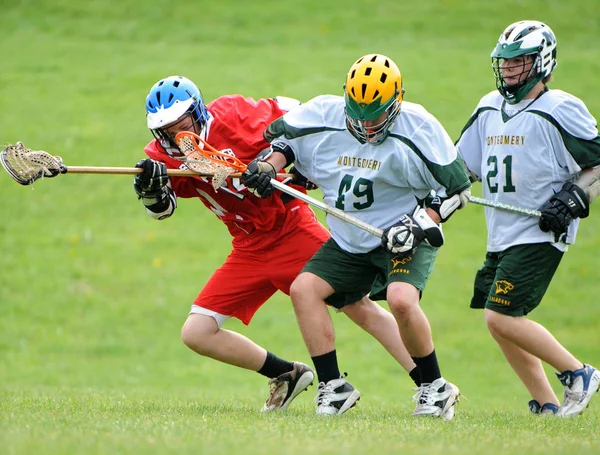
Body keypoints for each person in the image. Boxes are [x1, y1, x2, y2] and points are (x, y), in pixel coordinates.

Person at [133, 75, 421, 412]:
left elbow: (299, 113)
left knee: (359, 306)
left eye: (182, 125)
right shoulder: (163, 157)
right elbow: (163, 209)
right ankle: (287, 374)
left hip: (291, 229)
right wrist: (152, 187)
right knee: (196, 332)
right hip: (248, 248)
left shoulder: (236, 114)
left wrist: (286, 163)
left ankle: (428, 381)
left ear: (199, 112)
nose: (176, 136)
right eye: (166, 131)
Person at [242, 54, 471, 418]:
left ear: (395, 103)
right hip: (349, 239)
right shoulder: (325, 115)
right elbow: (286, 144)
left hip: (403, 233)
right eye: (358, 111)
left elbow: (458, 189)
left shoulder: (419, 127)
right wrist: (269, 166)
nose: (365, 123)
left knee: (400, 300)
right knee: (304, 290)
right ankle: (333, 388)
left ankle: (435, 387)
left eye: (375, 114)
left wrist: (420, 222)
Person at [456, 20, 600, 417]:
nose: (508, 70)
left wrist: (574, 197)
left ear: (541, 63)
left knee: (500, 314)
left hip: (540, 231)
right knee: (499, 320)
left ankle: (578, 373)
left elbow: (597, 162)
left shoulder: (560, 108)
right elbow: (461, 167)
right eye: (504, 63)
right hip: (501, 232)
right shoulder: (488, 106)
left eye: (518, 62)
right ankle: (547, 404)